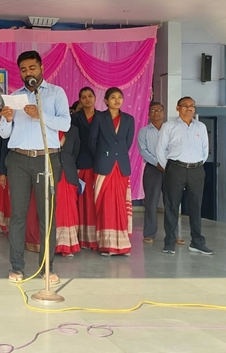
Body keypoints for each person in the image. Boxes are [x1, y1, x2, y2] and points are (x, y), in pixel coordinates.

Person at [0, 50, 70, 284]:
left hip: (46, 159)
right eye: (23, 69)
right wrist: (6, 119)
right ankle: (17, 267)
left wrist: (41, 115)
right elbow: (4, 134)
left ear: (41, 68)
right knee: (18, 215)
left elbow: (66, 123)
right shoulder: (14, 97)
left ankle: (47, 268)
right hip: (18, 160)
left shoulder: (56, 93)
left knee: (46, 216)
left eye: (32, 67)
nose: (28, 72)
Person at [155, 97, 214, 255]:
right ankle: (169, 242)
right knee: (172, 206)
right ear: (177, 108)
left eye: (192, 106)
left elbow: (205, 150)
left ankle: (197, 242)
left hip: (196, 170)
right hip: (175, 168)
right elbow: (160, 149)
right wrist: (169, 168)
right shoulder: (169, 126)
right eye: (185, 106)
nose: (189, 108)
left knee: (196, 205)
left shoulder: (200, 127)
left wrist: (196, 164)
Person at [88, 87, 135, 256]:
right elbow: (92, 142)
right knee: (105, 205)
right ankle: (107, 244)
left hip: (121, 167)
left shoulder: (129, 119)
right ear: (106, 101)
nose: (117, 100)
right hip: (104, 166)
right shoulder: (99, 118)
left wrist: (115, 155)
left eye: (119, 97)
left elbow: (128, 143)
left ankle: (122, 244)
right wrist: (104, 156)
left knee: (120, 204)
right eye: (113, 97)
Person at [24, 126, 82, 257]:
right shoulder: (45, 127)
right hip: (47, 172)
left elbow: (76, 152)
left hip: (68, 175)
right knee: (50, 208)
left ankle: (66, 245)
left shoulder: (73, 130)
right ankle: (49, 245)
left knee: (68, 210)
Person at [138, 101, 175, 245]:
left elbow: (175, 148)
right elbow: (143, 151)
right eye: (153, 111)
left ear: (164, 113)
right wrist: (157, 163)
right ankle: (149, 233)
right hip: (153, 169)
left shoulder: (170, 130)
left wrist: (166, 163)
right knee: (151, 202)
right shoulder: (144, 131)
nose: (156, 113)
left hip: (170, 168)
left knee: (171, 202)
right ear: (148, 114)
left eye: (159, 110)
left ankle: (173, 234)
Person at [71, 87, 99, 250]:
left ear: (95, 98)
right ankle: (81, 237)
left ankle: (95, 238)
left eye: (90, 96)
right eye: (84, 97)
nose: (87, 99)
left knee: (95, 202)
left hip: (98, 164)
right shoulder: (74, 118)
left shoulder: (102, 117)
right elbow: (72, 142)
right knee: (81, 202)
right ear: (80, 100)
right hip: (79, 164)